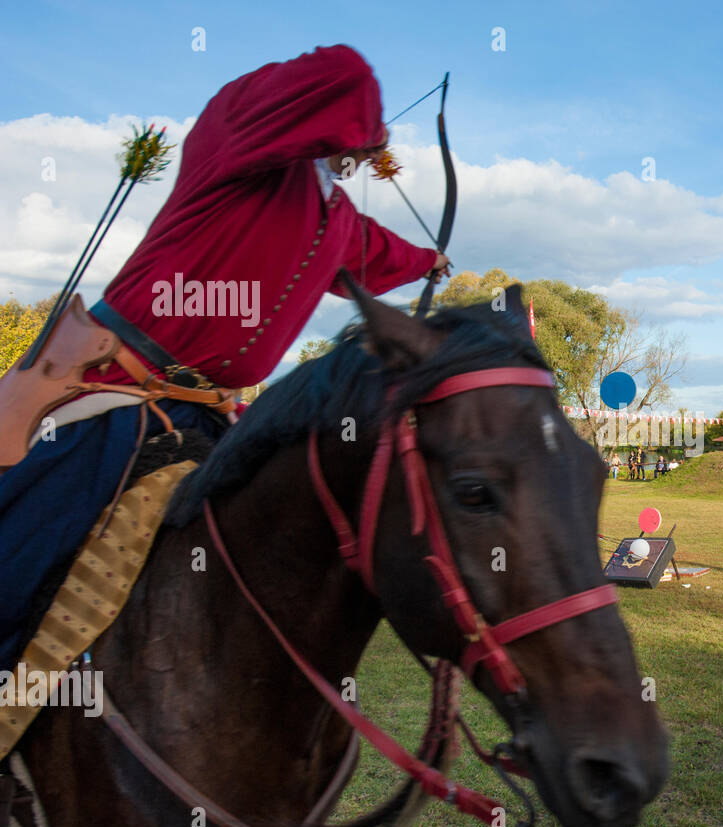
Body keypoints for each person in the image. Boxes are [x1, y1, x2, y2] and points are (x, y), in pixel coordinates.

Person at [0, 45, 449, 669]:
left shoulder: (338, 218)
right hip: (108, 391)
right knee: (21, 563)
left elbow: (378, 252)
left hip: (209, 420)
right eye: (361, 136)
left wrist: (430, 260)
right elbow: (343, 70)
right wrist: (372, 129)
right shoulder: (239, 142)